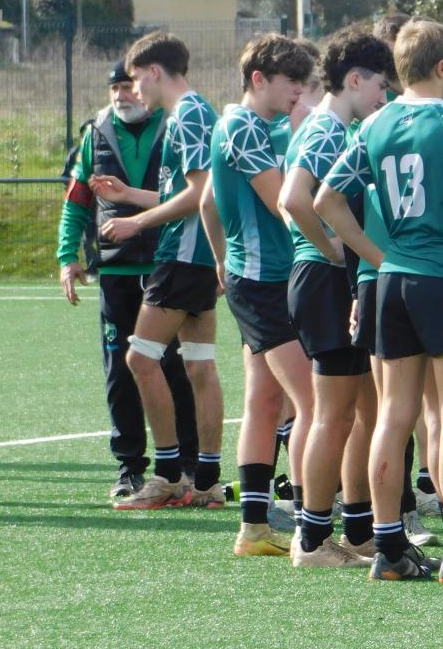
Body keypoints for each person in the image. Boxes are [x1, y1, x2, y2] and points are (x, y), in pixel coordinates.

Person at [317, 19, 443, 584]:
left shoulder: (374, 123)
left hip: (392, 284)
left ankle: (389, 550)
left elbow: (326, 200)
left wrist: (378, 256)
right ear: (441, 66)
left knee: (393, 415)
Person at [56, 60, 198, 500]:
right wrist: (68, 257)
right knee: (119, 370)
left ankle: (187, 466)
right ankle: (130, 466)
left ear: (145, 85)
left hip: (166, 263)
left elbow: (198, 194)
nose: (121, 94)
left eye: (127, 85)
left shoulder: (176, 127)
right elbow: (77, 201)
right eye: (114, 87)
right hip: (116, 271)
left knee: (175, 367)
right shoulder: (95, 134)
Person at [95, 32, 225, 512]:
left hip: (183, 254)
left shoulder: (188, 114)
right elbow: (184, 193)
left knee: (140, 359)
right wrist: (130, 196)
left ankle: (169, 475)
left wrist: (137, 223)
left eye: (136, 79)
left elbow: (200, 194)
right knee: (198, 364)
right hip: (198, 256)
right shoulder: (194, 112)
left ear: (154, 71)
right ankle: (206, 480)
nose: (135, 91)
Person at [279, 25, 393, 567]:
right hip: (323, 282)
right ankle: (311, 539)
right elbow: (293, 199)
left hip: (331, 280)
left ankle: (360, 530)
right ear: (354, 80)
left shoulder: (330, 127)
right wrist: (330, 249)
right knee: (334, 416)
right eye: (380, 85)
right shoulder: (327, 129)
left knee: (364, 411)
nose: (384, 97)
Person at [200, 34, 314, 558]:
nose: (298, 90)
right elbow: (281, 203)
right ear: (258, 79)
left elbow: (207, 203)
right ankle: (314, 529)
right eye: (291, 81)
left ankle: (253, 528)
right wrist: (333, 247)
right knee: (313, 403)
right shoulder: (243, 125)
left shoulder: (254, 125)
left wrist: (222, 258)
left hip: (259, 278)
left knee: (266, 401)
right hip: (266, 283)